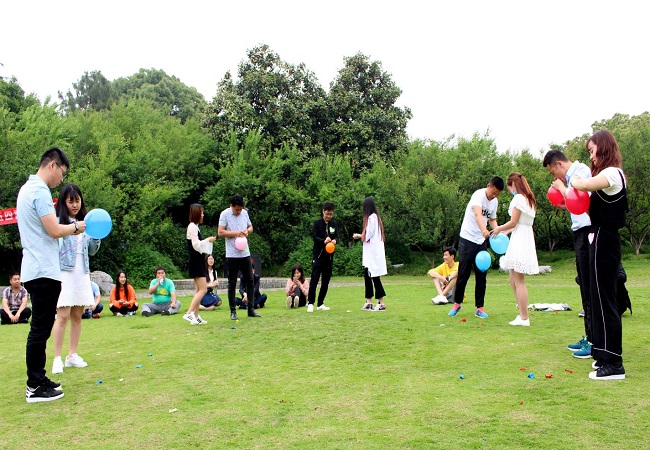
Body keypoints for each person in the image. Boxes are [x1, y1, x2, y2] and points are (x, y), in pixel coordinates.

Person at [17, 147, 85, 402]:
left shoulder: (28, 189)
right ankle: (34, 385)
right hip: (42, 270)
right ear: (52, 165)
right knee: (40, 329)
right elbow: (55, 230)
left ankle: (39, 379)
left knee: (42, 328)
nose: (61, 180)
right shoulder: (39, 191)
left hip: (37, 268)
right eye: (62, 173)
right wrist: (76, 227)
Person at [570, 130, 628, 380]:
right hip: (598, 237)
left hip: (606, 239)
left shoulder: (613, 173)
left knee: (605, 299)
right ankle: (603, 355)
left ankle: (614, 363)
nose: (591, 157)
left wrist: (572, 179)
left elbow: (583, 185)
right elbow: (586, 204)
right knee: (596, 298)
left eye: (592, 151)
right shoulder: (605, 176)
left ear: (603, 148)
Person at [543, 149, 593, 356]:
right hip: (580, 231)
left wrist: (561, 188)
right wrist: (564, 203)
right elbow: (577, 202)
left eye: (553, 172)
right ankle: (590, 337)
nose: (555, 177)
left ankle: (594, 342)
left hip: (588, 231)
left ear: (559, 164)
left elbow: (583, 197)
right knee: (585, 287)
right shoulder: (573, 177)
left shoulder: (580, 172)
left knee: (589, 288)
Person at [51, 184, 102, 375]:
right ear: (63, 202)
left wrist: (96, 236)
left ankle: (72, 355)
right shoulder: (58, 222)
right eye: (71, 201)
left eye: (77, 200)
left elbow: (92, 251)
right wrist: (73, 228)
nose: (75, 205)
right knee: (62, 315)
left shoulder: (86, 224)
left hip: (82, 273)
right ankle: (57, 358)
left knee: (77, 315)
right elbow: (55, 243)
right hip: (64, 272)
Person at [449, 176, 504, 319]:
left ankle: (480, 307)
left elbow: (492, 220)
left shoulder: (494, 202)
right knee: (463, 273)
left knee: (481, 275)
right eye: (493, 192)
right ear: (488, 186)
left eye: (497, 194)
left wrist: (497, 231)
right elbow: (478, 215)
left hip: (481, 241)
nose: (494, 196)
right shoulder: (478, 195)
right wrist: (484, 230)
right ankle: (457, 303)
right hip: (467, 238)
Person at [492, 173, 539, 326]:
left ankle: (524, 317)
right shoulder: (529, 199)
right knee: (512, 279)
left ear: (513, 184)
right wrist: (505, 232)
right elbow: (518, 224)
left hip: (520, 240)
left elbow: (513, 222)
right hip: (523, 236)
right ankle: (521, 313)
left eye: (509, 187)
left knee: (519, 280)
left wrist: (498, 228)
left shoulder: (519, 198)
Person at [218, 194, 259, 320]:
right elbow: (220, 232)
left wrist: (247, 231)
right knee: (232, 282)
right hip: (232, 254)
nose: (239, 211)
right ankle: (233, 311)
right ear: (232, 206)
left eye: (241, 209)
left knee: (250, 280)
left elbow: (250, 227)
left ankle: (251, 309)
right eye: (237, 209)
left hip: (245, 252)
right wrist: (236, 233)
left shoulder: (244, 213)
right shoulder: (225, 214)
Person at [182, 203, 216, 325]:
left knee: (198, 290)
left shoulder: (195, 227)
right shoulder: (192, 227)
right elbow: (196, 245)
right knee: (203, 289)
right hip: (196, 262)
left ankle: (196, 317)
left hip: (198, 261)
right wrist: (208, 240)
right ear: (196, 214)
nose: (203, 215)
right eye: (201, 213)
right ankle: (189, 313)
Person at [353, 197, 388, 311]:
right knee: (368, 276)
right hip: (371, 253)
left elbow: (368, 235)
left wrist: (359, 236)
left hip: (373, 253)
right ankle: (369, 301)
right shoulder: (375, 218)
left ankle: (381, 302)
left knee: (374, 276)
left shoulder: (372, 218)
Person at [307, 201, 338, 312]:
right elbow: (315, 237)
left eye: (331, 214)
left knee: (326, 281)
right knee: (314, 279)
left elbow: (337, 237)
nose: (329, 216)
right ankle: (311, 303)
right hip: (318, 256)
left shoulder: (333, 224)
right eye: (327, 214)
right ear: (323, 212)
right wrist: (324, 240)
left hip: (328, 258)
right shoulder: (317, 223)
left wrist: (334, 240)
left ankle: (320, 303)